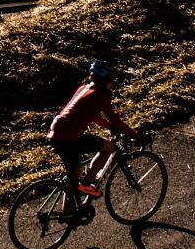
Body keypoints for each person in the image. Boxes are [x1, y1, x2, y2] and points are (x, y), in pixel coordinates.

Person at [47, 59, 142, 200]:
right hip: (68, 137)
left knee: (74, 176)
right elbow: (115, 119)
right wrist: (136, 136)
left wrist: (109, 127)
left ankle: (70, 212)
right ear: (104, 80)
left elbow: (93, 117)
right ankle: (87, 183)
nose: (112, 84)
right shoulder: (101, 95)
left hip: (56, 132)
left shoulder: (84, 89)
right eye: (111, 80)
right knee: (108, 147)